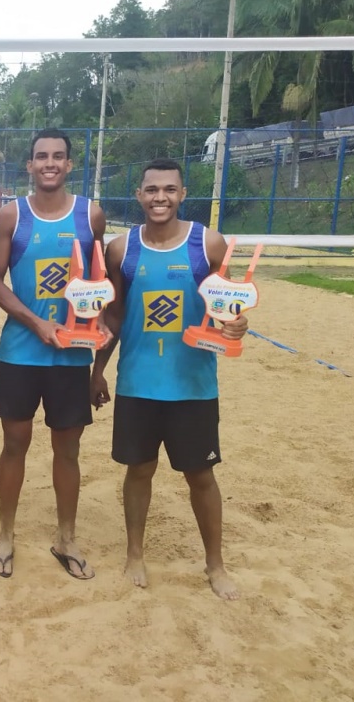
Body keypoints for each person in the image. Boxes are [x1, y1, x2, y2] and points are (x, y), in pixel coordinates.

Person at [91, 158, 246, 600]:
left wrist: (237, 325)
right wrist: (97, 371)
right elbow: (114, 315)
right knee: (139, 470)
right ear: (139, 195)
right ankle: (135, 554)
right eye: (152, 189)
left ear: (182, 194)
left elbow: (226, 309)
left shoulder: (209, 244)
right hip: (138, 382)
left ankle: (215, 564)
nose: (160, 197)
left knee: (201, 475)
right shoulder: (121, 249)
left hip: (192, 384)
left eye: (169, 189)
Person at [0, 128, 107, 580]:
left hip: (72, 356)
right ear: (30, 165)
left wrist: (97, 328)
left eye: (58, 156)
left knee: (68, 450)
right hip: (20, 352)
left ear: (69, 164)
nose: (50, 163)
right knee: (14, 444)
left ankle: (66, 538)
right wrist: (36, 322)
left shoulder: (91, 215)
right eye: (42, 156)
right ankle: (5, 535)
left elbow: (99, 282)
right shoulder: (11, 215)